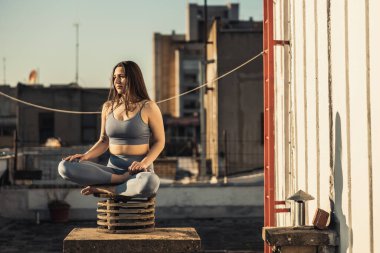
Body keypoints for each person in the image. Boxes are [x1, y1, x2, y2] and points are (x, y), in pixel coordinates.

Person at [58, 61, 165, 197]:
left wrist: (143, 164)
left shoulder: (149, 107)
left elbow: (160, 141)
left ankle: (111, 189)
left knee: (150, 182)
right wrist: (85, 156)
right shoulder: (108, 107)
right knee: (64, 167)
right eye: (114, 77)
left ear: (133, 78)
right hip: (111, 172)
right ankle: (119, 181)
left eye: (121, 76)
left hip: (138, 173)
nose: (117, 81)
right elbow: (104, 140)